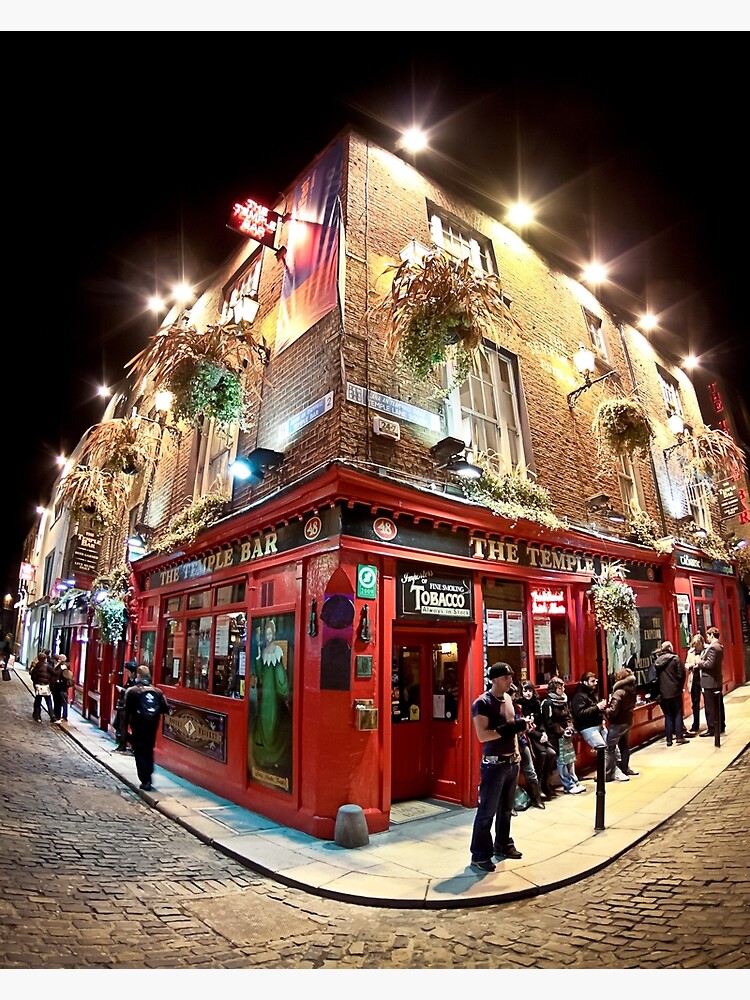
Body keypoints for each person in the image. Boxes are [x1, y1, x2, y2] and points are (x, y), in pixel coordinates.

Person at [469, 662, 530, 872]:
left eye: (511, 677)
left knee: (506, 809)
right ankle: (479, 854)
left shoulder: (507, 698)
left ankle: (503, 844)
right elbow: (482, 735)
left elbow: (512, 729)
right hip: (494, 764)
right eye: (506, 678)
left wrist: (518, 737)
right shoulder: (482, 703)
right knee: (487, 811)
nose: (510, 681)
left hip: (511, 761)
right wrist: (510, 729)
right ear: (494, 679)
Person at [123, 665, 170, 790]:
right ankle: (149, 777)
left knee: (139, 750)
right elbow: (165, 709)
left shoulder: (132, 691)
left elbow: (127, 712)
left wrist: (124, 730)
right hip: (152, 724)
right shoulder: (158, 692)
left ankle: (144, 780)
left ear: (138, 675)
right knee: (149, 749)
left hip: (138, 724)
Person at [252, 619, 291, 768]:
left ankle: (273, 751)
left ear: (273, 634)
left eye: (270, 633)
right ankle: (264, 751)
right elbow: (261, 673)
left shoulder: (277, 651)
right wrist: (258, 656)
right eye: (266, 634)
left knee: (272, 719)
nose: (268, 636)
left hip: (272, 693)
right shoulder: (264, 651)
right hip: (265, 693)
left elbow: (280, 673)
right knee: (264, 718)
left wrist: (284, 690)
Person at [541, 677, 586, 794]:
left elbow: (568, 715)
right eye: (560, 688)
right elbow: (549, 722)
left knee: (570, 759)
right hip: (556, 736)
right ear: (554, 689)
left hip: (566, 733)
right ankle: (568, 785)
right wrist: (562, 731)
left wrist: (570, 726)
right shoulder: (548, 703)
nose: (563, 690)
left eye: (563, 687)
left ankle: (575, 781)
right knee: (562, 761)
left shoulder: (564, 700)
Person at [518, 680, 558, 800]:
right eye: (525, 691)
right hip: (529, 736)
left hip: (540, 734)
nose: (528, 694)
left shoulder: (536, 703)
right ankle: (538, 787)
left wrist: (544, 733)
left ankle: (546, 783)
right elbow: (524, 726)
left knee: (552, 753)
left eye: (530, 691)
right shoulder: (520, 705)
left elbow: (540, 721)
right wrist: (539, 735)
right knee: (542, 754)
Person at [511, 685, 545, 810]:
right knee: (512, 774)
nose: (515, 696)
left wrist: (526, 725)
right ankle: (510, 805)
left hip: (522, 741)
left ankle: (536, 798)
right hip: (510, 744)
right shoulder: (505, 708)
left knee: (530, 770)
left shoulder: (517, 708)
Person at [604, 666, 639, 781]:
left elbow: (613, 712)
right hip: (628, 721)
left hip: (617, 723)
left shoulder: (618, 692)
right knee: (624, 746)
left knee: (610, 748)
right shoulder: (631, 689)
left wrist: (604, 710)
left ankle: (608, 774)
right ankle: (625, 769)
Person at [653, 640, 688, 746]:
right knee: (678, 713)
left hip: (663, 693)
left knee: (667, 715)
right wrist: (680, 686)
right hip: (675, 691)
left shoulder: (657, 661)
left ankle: (669, 739)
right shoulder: (675, 659)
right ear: (670, 648)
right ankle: (679, 736)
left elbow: (655, 678)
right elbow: (681, 674)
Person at [699, 626, 726, 738]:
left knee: (710, 706)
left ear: (711, 635)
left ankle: (712, 728)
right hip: (716, 680)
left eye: (708, 636)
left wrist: (699, 662)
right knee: (719, 705)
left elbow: (709, 664)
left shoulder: (713, 648)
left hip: (710, 682)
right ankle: (721, 725)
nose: (707, 638)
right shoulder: (719, 646)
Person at [571, 672, 608, 750]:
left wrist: (602, 719)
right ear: (585, 682)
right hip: (588, 727)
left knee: (612, 748)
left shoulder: (590, 693)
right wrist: (597, 707)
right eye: (592, 681)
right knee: (602, 748)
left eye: (596, 681)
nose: (595, 683)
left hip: (598, 725)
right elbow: (580, 713)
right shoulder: (579, 696)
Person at [113, 661, 138, 752]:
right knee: (116, 725)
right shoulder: (130, 680)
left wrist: (122, 690)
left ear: (133, 672)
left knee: (123, 727)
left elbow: (131, 693)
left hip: (128, 708)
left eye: (128, 672)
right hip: (123, 706)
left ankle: (123, 746)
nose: (127, 673)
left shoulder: (135, 682)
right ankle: (132, 742)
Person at [685, 633, 705, 734]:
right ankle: (695, 724)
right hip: (694, 680)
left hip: (704, 679)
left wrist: (700, 664)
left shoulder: (706, 650)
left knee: (708, 702)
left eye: (697, 646)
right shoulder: (690, 652)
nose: (696, 648)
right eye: (694, 646)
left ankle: (712, 724)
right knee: (695, 703)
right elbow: (686, 664)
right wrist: (690, 665)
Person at [30, 650, 55, 722]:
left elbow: (32, 676)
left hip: (38, 686)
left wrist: (35, 683)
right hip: (46, 686)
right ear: (45, 658)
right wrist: (50, 682)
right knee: (48, 702)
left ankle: (37, 716)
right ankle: (52, 716)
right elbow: (55, 673)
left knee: (38, 701)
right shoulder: (48, 666)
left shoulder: (36, 666)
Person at [50, 654, 72, 723]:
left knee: (62, 702)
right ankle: (57, 715)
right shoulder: (59, 666)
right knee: (58, 702)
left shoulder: (63, 667)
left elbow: (64, 677)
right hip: (57, 688)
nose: (58, 659)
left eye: (59, 658)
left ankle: (64, 716)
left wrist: (59, 681)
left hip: (61, 688)